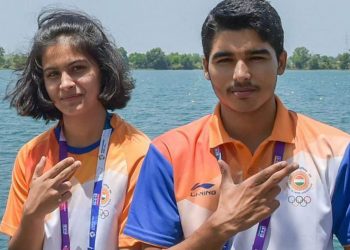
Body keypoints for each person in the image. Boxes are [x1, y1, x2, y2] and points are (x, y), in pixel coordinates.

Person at [124, 0, 350, 249]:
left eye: (256, 57)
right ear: (205, 68)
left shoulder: (336, 152)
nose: (241, 74)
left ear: (282, 62)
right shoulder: (169, 153)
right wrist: (219, 229)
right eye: (225, 60)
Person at [0, 9, 149, 250]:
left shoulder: (139, 153)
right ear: (43, 85)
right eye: (53, 74)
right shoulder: (31, 156)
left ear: (103, 71)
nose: (66, 83)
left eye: (78, 68)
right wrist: (32, 214)